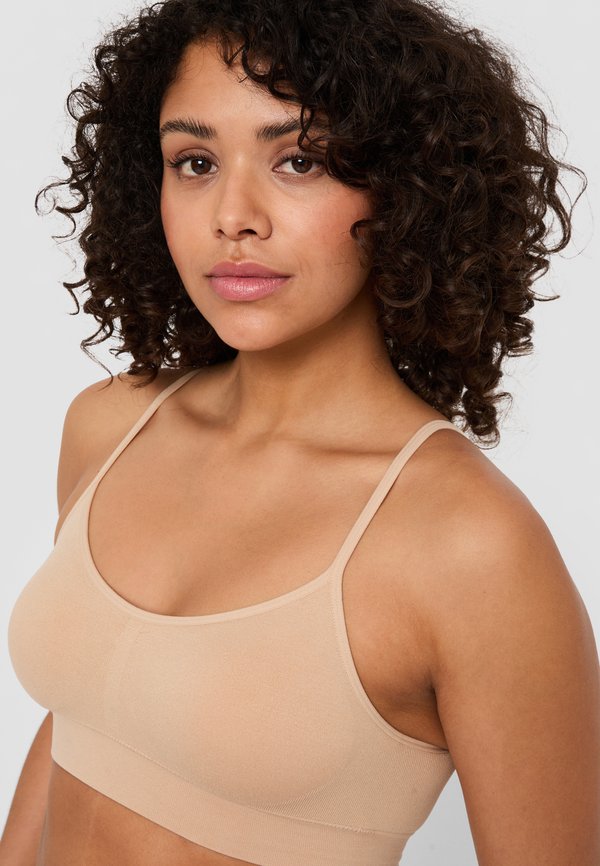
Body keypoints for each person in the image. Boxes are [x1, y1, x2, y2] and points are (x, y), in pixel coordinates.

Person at [2, 0, 599, 863]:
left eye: (300, 160)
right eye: (196, 162)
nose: (232, 216)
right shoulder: (110, 425)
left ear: (410, 189)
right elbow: (77, 726)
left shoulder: (469, 545)